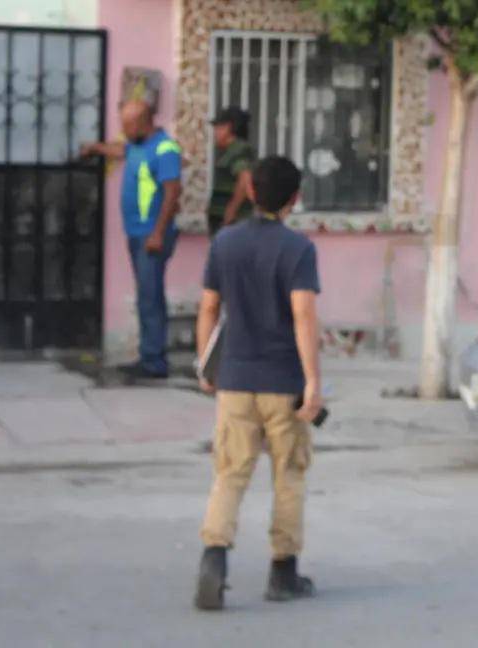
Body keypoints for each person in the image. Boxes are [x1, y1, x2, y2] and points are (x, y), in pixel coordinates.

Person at [193, 156, 323, 611]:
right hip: (283, 382)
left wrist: (206, 366)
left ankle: (213, 559)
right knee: (289, 474)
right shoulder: (299, 249)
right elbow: (303, 316)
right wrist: (313, 381)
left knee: (230, 472)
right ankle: (283, 572)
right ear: (295, 199)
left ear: (250, 191)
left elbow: (209, 307)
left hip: (235, 379)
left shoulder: (224, 243)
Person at [80, 100, 181, 379]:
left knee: (150, 297)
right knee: (145, 296)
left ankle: (154, 361)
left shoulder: (165, 149)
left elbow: (173, 193)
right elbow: (120, 150)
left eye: (127, 125)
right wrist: (95, 148)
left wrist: (158, 232)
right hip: (137, 233)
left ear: (143, 123)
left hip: (152, 235)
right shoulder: (138, 145)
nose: (123, 130)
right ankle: (148, 355)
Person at [207, 107, 256, 235]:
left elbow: (244, 179)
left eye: (218, 128)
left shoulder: (239, 150)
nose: (215, 133)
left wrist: (231, 211)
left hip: (234, 223)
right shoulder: (230, 150)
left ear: (228, 128)